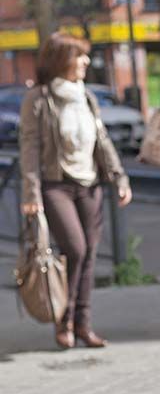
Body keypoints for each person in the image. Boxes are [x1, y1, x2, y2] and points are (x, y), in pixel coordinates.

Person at [19, 32, 132, 349]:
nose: (85, 61)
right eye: (78, 56)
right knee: (76, 249)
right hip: (56, 184)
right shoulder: (39, 99)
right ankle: (63, 319)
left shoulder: (86, 96)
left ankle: (83, 324)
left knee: (90, 255)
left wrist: (119, 177)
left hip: (90, 183)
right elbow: (29, 146)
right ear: (60, 61)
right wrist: (30, 194)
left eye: (85, 56)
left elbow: (102, 140)